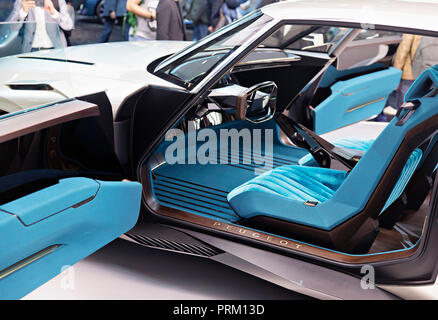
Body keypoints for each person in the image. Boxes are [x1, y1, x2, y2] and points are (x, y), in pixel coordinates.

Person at [8, 0, 73, 52]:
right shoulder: (22, 1)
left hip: (56, 48)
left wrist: (54, 12)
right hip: (31, 50)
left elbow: (68, 25)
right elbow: (13, 27)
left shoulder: (58, 1)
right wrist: (23, 12)